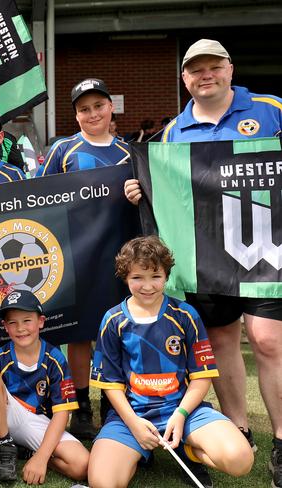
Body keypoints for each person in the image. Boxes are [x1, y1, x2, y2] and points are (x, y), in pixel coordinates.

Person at [124, 39, 282, 487]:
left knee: (268, 340)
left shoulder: (271, 109)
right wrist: (144, 189)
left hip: (266, 249)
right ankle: (239, 426)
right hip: (207, 252)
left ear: (230, 69)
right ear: (185, 78)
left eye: (214, 66)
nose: (205, 75)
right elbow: (167, 188)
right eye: (196, 70)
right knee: (222, 339)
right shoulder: (174, 130)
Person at [87, 236, 253, 488]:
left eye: (155, 276)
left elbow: (202, 375)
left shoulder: (185, 314)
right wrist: (134, 424)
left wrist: (181, 414)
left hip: (183, 411)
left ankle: (188, 448)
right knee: (103, 482)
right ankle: (138, 451)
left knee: (241, 460)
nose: (147, 286)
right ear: (125, 277)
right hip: (132, 416)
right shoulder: (113, 320)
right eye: (137, 278)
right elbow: (110, 384)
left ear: (166, 275)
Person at [37, 78, 131, 440]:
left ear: (111, 108)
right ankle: (80, 406)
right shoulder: (64, 150)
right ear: (75, 115)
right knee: (79, 334)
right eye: (84, 109)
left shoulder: (126, 152)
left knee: (116, 332)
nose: (92, 114)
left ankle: (113, 404)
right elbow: (38, 197)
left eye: (98, 106)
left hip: (119, 255)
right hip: (75, 255)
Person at [0, 289, 89, 484]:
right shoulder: (0, 357)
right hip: (4, 416)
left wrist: (42, 457)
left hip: (37, 422)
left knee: (82, 465)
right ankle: (3, 444)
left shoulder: (54, 359)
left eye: (27, 320)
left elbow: (62, 413)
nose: (20, 328)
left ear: (41, 321)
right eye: (13, 322)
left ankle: (28, 452)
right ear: (5, 326)